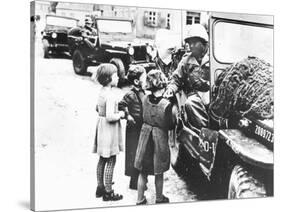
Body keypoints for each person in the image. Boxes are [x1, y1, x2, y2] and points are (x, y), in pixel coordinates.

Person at [134, 69, 176, 205]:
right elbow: (170, 125)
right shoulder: (166, 104)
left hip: (145, 139)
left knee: (143, 171)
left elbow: (142, 116)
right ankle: (159, 198)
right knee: (159, 171)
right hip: (159, 140)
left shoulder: (144, 99)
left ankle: (140, 199)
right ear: (162, 84)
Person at [163, 24, 210, 134]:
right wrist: (171, 88)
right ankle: (204, 132)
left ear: (203, 42)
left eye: (194, 43)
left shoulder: (213, 58)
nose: (191, 46)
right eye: (190, 43)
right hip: (193, 96)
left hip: (211, 94)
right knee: (190, 103)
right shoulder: (186, 60)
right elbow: (176, 79)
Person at [93, 63, 125, 201]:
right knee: (111, 159)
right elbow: (111, 116)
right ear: (108, 79)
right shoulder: (111, 95)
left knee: (102, 159)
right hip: (109, 130)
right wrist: (121, 114)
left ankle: (99, 187)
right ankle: (108, 191)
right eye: (116, 75)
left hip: (101, 128)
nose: (118, 77)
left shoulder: (101, 92)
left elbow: (97, 108)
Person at [119, 65, 147, 190]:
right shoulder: (130, 94)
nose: (146, 80)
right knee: (134, 153)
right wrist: (128, 115)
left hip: (142, 127)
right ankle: (134, 181)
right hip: (133, 129)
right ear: (136, 81)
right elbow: (121, 105)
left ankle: (140, 179)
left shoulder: (143, 93)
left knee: (142, 153)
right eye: (144, 78)